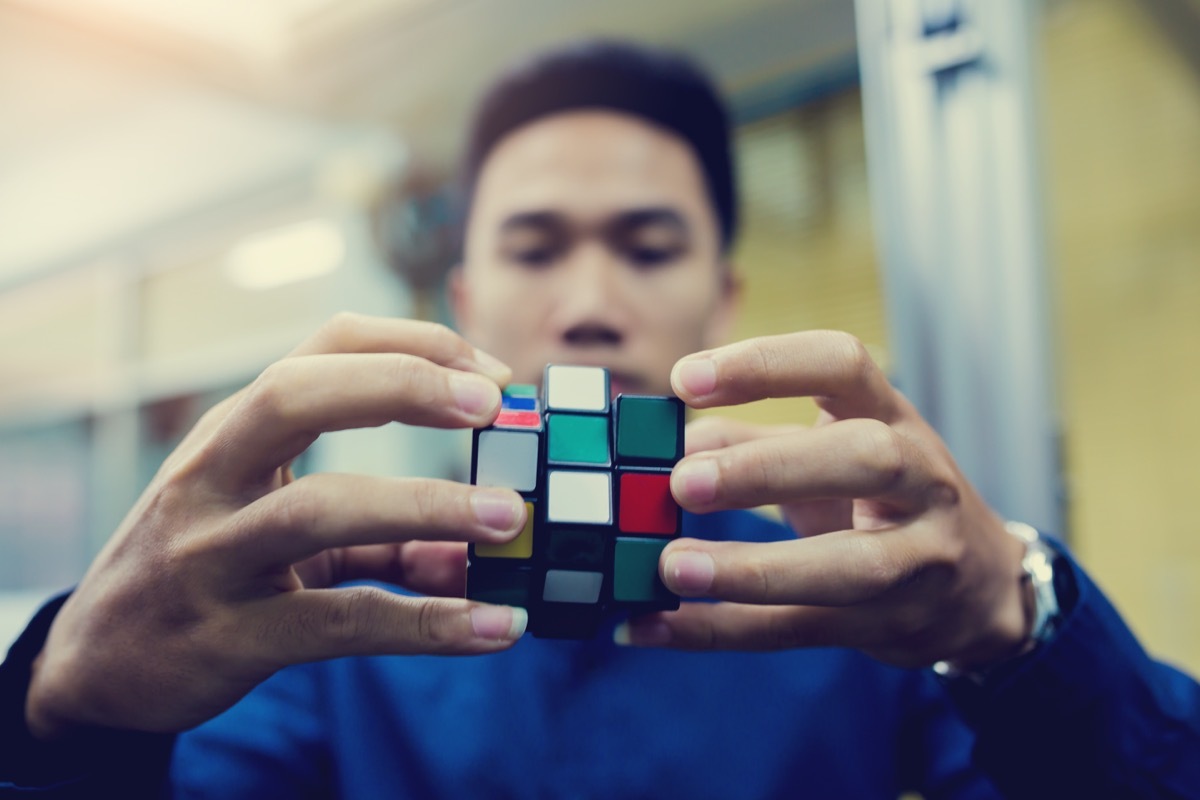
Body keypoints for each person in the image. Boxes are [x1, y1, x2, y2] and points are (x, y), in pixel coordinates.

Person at [2, 40, 1198, 799]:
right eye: (534, 248)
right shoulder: (333, 618)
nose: (585, 306)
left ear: (723, 297)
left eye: (647, 244)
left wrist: (1016, 620)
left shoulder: (859, 607)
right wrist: (64, 710)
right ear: (463, 300)